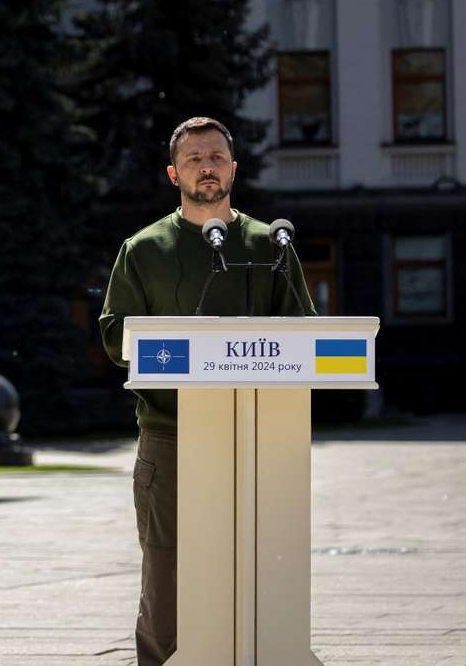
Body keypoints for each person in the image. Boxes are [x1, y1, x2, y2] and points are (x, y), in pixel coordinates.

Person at [98, 116, 315, 666]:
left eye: (216, 156)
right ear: (174, 173)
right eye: (194, 159)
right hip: (172, 439)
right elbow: (114, 334)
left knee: (264, 573)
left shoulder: (271, 244)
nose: (207, 167)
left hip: (260, 442)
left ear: (234, 167)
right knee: (167, 582)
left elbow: (305, 335)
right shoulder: (143, 249)